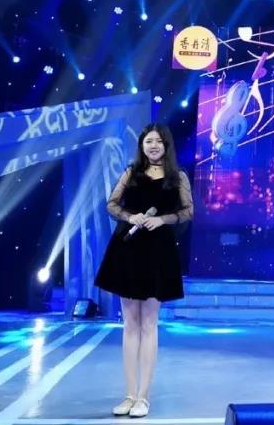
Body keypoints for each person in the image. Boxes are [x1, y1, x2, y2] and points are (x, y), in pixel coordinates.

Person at [95, 123, 193, 418]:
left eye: (159, 141)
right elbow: (112, 204)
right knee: (129, 324)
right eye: (148, 141)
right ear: (141, 145)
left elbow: (188, 211)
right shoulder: (131, 173)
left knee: (149, 324)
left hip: (158, 252)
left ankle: (143, 397)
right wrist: (131, 217)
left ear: (166, 145)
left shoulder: (178, 176)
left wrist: (162, 220)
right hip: (128, 249)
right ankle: (128, 395)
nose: (153, 146)